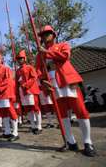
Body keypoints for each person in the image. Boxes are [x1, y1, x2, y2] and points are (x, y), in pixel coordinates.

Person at [36, 25, 96, 157]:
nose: (45, 36)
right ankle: (71, 141)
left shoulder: (63, 45)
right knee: (62, 114)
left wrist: (46, 52)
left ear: (53, 34)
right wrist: (42, 80)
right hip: (53, 84)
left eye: (47, 33)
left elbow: (64, 56)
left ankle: (88, 142)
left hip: (67, 80)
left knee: (80, 111)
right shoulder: (39, 54)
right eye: (42, 35)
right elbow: (39, 69)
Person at [0, 49, 19, 141]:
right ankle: (7, 131)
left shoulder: (6, 68)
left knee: (10, 112)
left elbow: (8, 81)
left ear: (0, 59)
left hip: (5, 94)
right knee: (3, 113)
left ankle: (15, 132)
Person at [16, 50, 42, 135]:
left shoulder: (30, 67)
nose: (20, 60)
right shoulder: (17, 71)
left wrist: (26, 85)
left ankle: (39, 126)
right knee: (28, 109)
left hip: (31, 90)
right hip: (22, 92)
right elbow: (17, 82)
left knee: (35, 108)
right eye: (18, 59)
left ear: (24, 59)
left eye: (21, 58)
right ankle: (33, 126)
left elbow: (34, 77)